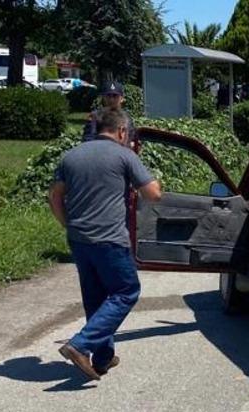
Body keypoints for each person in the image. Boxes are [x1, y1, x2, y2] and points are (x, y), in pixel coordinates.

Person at [49, 109, 162, 381]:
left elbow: (54, 197)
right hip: (110, 240)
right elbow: (153, 194)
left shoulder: (71, 156)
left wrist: (68, 225)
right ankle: (80, 345)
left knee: (95, 298)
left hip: (79, 240)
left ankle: (102, 358)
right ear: (122, 131)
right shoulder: (125, 156)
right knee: (126, 291)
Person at [83, 81, 136, 147]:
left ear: (122, 98)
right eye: (108, 96)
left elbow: (132, 139)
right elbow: (88, 141)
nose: (111, 99)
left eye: (115, 96)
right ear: (103, 97)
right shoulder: (95, 116)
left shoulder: (127, 118)